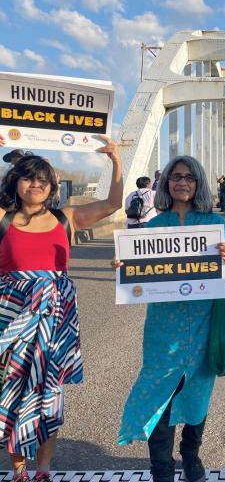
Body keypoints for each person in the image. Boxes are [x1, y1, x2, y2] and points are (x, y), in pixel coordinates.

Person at [0, 134, 123, 479]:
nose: (35, 185)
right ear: (16, 182)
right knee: (13, 392)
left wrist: (115, 159)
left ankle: (44, 467)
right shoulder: (4, 219)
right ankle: (18, 469)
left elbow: (113, 202)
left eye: (42, 180)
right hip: (12, 324)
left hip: (56, 320)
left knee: (49, 393)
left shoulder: (65, 218)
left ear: (52, 185)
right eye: (28, 178)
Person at [115, 155, 225, 482]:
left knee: (197, 392)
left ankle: (190, 455)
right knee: (159, 395)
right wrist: (125, 269)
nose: (182, 182)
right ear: (166, 182)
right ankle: (162, 468)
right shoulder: (153, 227)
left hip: (202, 324)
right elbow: (141, 273)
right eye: (176, 177)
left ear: (198, 184)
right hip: (163, 329)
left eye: (189, 177)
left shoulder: (214, 224)